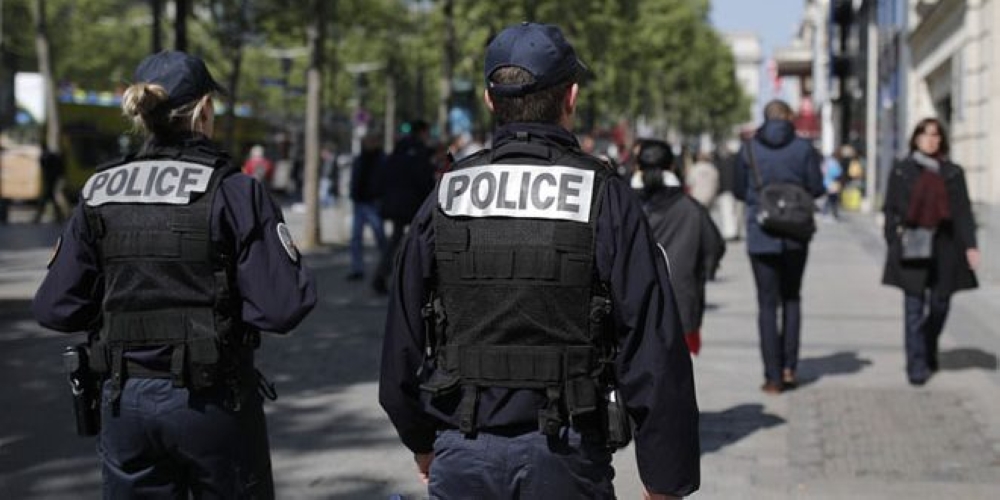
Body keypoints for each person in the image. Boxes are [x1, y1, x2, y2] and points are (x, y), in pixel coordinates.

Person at [378, 22, 699, 499]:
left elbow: (400, 342)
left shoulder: (445, 195)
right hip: (567, 457)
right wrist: (665, 480)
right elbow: (653, 346)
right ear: (571, 97)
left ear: (490, 101)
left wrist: (421, 441)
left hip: (462, 452)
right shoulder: (605, 196)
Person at [31, 50, 317, 498]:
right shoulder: (235, 190)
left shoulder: (99, 190)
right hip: (213, 402)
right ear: (204, 110)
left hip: (125, 402)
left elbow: (56, 307)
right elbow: (283, 307)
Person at [734, 99, 824, 394]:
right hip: (795, 234)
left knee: (767, 304)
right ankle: (789, 368)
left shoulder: (748, 148)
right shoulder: (804, 148)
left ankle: (772, 377)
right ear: (788, 117)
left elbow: (738, 189)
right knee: (792, 299)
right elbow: (817, 187)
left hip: (761, 232)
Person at [881, 117, 979, 386]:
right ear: (916, 139)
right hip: (912, 245)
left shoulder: (953, 172)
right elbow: (890, 208)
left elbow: (963, 212)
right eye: (925, 135)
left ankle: (926, 344)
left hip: (945, 246)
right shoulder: (902, 170)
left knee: (940, 304)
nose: (930, 140)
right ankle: (916, 365)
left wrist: (971, 245)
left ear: (942, 140)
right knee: (913, 307)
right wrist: (892, 239)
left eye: (935, 135)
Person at [636, 139, 726, 356]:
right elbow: (714, 247)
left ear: (638, 168)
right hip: (683, 303)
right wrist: (703, 271)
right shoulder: (692, 208)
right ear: (672, 166)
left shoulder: (625, 206)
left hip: (635, 307)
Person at [371, 119, 436, 294]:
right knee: (421, 239)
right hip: (412, 203)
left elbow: (385, 174)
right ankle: (414, 279)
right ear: (422, 132)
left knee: (396, 238)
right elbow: (424, 180)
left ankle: (382, 275)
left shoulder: (398, 149)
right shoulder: (420, 152)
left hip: (395, 202)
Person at [347, 134, 388, 281]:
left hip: (373, 203)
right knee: (356, 238)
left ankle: (387, 266)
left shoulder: (382, 159)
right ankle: (357, 268)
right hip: (360, 202)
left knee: (380, 237)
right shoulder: (360, 159)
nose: (368, 144)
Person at [33, 140, 66, 223]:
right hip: (53, 179)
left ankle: (38, 216)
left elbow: (44, 165)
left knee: (45, 198)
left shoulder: (47, 156)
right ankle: (59, 216)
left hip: (51, 180)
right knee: (50, 198)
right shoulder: (52, 156)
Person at [821, 152, 844, 220]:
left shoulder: (826, 162)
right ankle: (833, 213)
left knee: (830, 198)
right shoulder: (834, 163)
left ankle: (827, 212)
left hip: (827, 182)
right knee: (833, 198)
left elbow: (823, 171)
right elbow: (837, 173)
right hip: (832, 183)